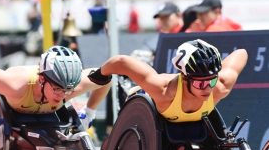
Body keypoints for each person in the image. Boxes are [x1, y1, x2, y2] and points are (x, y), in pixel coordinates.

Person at [88, 39, 247, 123]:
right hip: (146, 110)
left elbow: (241, 53)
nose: (207, 89)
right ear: (185, 78)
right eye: (200, 84)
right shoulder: (162, 89)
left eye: (211, 81)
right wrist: (98, 76)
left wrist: (214, 75)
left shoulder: (220, 86)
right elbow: (120, 62)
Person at [0, 45, 111, 134]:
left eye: (67, 90)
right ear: (42, 79)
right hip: (13, 109)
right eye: (57, 89)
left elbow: (106, 78)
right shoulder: (15, 85)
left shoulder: (73, 87)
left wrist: (89, 112)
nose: (62, 95)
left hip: (46, 114)